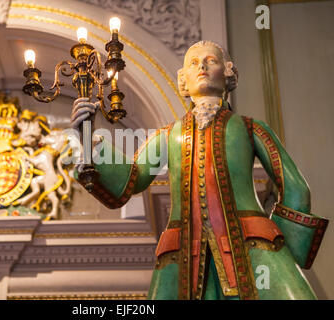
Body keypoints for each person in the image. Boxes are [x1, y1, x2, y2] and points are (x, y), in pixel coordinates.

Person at [70, 40, 328, 300]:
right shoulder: (169, 135)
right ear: (183, 81)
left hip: (252, 243)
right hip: (183, 252)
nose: (202, 66)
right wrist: (92, 143)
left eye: (211, 60)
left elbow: (296, 189)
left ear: (229, 74)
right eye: (193, 63)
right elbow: (132, 178)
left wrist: (284, 253)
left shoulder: (250, 128)